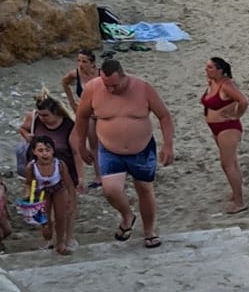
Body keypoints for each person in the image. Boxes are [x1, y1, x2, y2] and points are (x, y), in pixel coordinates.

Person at [71, 58, 173, 249]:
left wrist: (167, 144)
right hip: (110, 149)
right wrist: (81, 145)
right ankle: (127, 215)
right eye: (106, 85)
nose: (110, 89)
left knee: (144, 189)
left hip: (141, 148)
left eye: (114, 85)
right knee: (110, 190)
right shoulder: (93, 89)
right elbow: (82, 117)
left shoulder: (143, 88)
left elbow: (164, 116)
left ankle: (149, 231)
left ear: (123, 76)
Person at [200, 57, 249, 213]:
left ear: (220, 70)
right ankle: (236, 194)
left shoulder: (227, 85)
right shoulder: (212, 83)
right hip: (216, 127)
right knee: (232, 162)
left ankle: (240, 202)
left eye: (210, 67)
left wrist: (237, 115)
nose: (206, 70)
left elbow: (243, 101)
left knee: (227, 164)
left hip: (228, 127)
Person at [24, 136, 71, 251]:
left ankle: (60, 242)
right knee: (45, 220)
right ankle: (48, 237)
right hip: (42, 192)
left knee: (61, 217)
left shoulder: (59, 164)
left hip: (58, 190)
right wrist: (28, 196)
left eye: (48, 150)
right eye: (40, 151)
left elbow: (68, 182)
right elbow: (29, 183)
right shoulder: (31, 167)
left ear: (53, 151)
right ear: (34, 152)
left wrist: (71, 198)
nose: (45, 154)